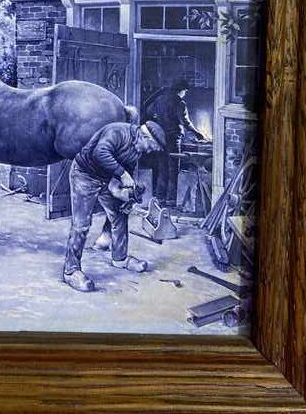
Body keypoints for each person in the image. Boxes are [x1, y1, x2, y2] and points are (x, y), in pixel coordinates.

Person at [62, 119, 168, 293]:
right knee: (81, 224)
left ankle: (120, 259)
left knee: (119, 214)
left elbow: (117, 184)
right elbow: (100, 153)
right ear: (143, 136)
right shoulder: (118, 132)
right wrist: (123, 174)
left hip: (105, 179)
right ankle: (71, 270)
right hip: (84, 175)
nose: (149, 152)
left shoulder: (137, 152)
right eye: (150, 147)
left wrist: (127, 196)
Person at [149, 78, 208, 209]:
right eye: (185, 91)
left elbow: (149, 111)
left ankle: (160, 199)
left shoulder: (159, 100)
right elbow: (185, 121)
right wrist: (197, 133)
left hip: (160, 138)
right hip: (173, 139)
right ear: (180, 90)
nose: (185, 94)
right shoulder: (180, 102)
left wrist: (159, 119)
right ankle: (171, 201)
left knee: (162, 168)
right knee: (173, 170)